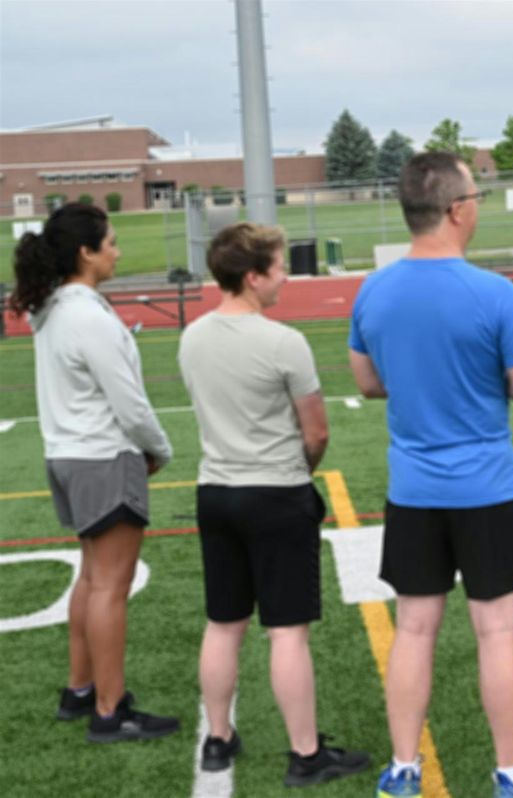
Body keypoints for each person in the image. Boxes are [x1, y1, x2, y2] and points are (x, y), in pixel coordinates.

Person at [349, 152, 513, 798]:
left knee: (413, 630)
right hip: (485, 489)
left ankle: (402, 769)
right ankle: (511, 774)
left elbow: (367, 383)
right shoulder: (491, 292)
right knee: (496, 630)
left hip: (413, 490)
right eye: (475, 196)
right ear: (455, 209)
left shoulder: (375, 289)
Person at [178, 222, 369, 786]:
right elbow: (316, 434)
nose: (286, 275)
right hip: (276, 494)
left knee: (223, 624)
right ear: (253, 275)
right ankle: (305, 755)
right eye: (279, 267)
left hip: (215, 492)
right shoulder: (284, 342)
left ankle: (217, 738)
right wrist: (292, 476)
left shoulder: (192, 336)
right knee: (286, 632)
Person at [9, 203, 179, 742]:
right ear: (86, 252)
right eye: (110, 242)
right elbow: (128, 403)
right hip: (102, 455)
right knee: (110, 585)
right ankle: (111, 710)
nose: (118, 251)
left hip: (68, 454)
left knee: (92, 577)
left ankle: (81, 689)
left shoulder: (54, 307)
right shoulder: (85, 314)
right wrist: (160, 450)